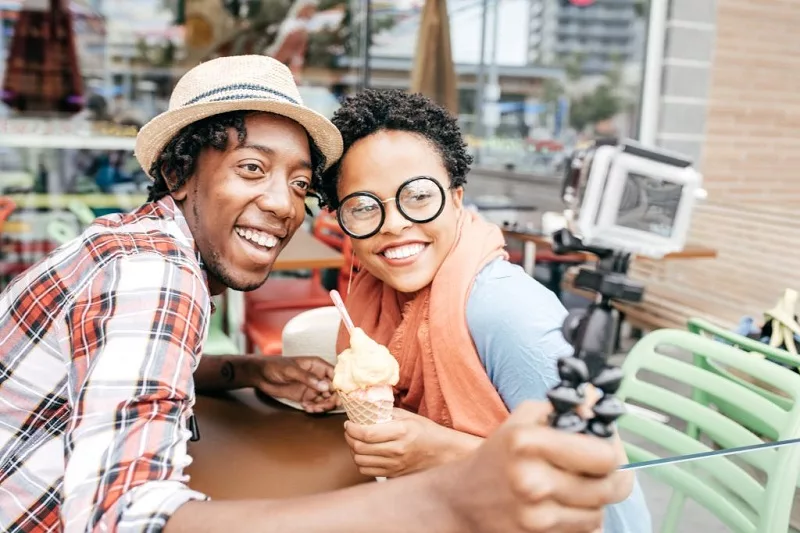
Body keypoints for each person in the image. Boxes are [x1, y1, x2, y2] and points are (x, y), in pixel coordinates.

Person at [0, 54, 623, 533]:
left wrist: (247, 369)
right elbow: (123, 517)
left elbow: (613, 487)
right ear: (177, 172)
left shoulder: (499, 306)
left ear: (457, 199)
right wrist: (448, 493)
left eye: (300, 183)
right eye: (251, 168)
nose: (280, 203)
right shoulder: (156, 274)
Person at [316, 89, 652, 532]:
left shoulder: (503, 310)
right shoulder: (377, 296)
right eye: (362, 207)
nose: (394, 224)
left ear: (456, 197)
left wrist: (440, 449)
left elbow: (608, 473)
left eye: (418, 196)